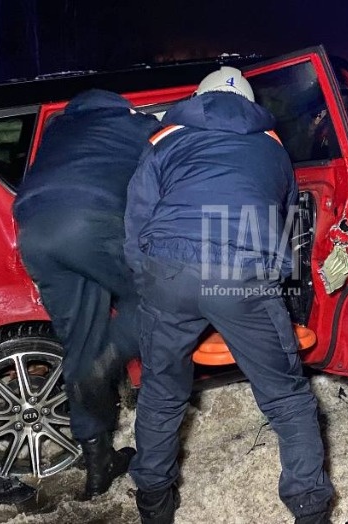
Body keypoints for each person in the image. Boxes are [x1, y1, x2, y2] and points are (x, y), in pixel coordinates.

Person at [124, 66, 335, 524]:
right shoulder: (273, 147)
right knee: (286, 396)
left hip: (169, 267)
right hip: (242, 272)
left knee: (161, 391)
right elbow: (285, 217)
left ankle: (154, 504)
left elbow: (137, 219)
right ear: (251, 104)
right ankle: (309, 508)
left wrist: (151, 286)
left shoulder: (164, 139)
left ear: (198, 98)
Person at [13, 89, 161, 499]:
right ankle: (110, 357)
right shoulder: (135, 125)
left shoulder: (58, 131)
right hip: (90, 220)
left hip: (33, 232)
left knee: (79, 342)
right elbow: (173, 166)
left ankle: (99, 464)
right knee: (160, 295)